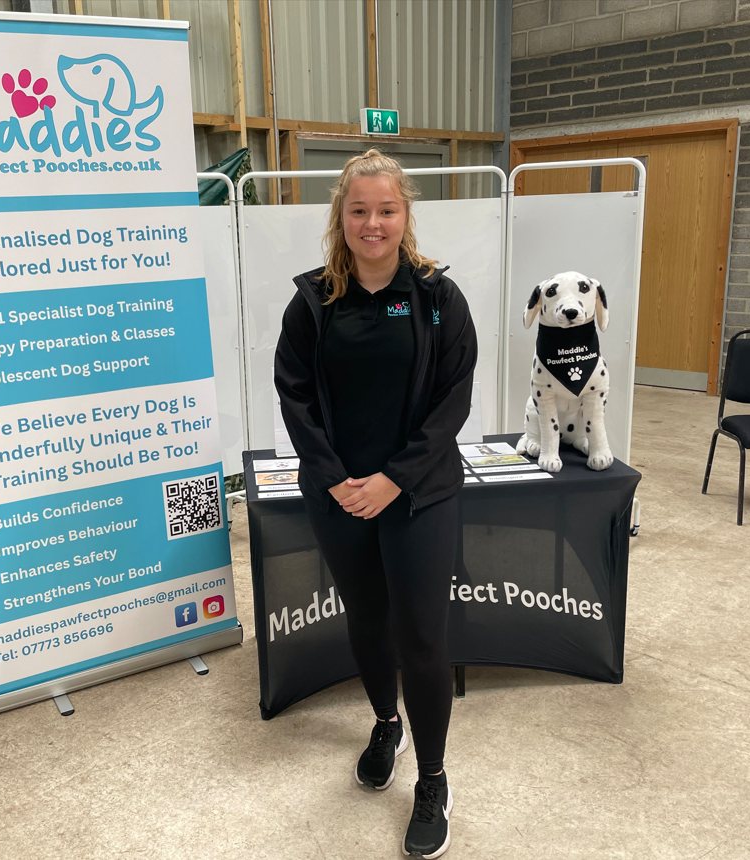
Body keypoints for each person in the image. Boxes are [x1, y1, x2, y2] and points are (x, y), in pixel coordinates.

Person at [274, 149, 477, 859]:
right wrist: (335, 479)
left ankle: (432, 779)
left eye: (385, 209)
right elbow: (294, 396)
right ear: (341, 216)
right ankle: (384, 723)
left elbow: (453, 401)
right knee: (364, 617)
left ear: (404, 215)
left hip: (418, 493)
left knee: (420, 635)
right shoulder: (313, 301)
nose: (371, 223)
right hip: (340, 496)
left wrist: (394, 479)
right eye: (358, 210)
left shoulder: (435, 299)